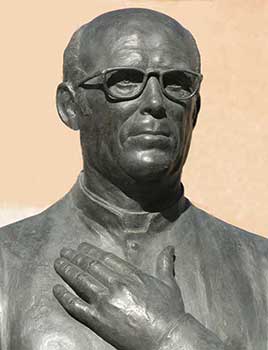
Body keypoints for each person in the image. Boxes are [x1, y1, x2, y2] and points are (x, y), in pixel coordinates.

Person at [0, 8, 267, 350]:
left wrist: (170, 337)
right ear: (71, 106)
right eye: (124, 80)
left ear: (195, 111)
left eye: (176, 83)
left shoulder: (261, 268)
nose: (155, 102)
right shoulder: (8, 266)